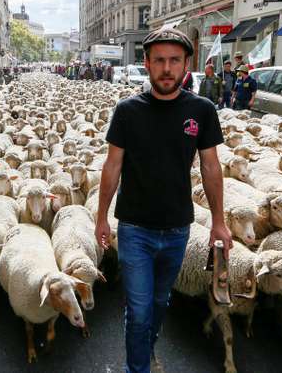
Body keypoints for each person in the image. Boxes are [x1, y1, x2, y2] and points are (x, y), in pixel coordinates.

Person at [94, 27, 232, 373]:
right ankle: (137, 367)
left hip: (177, 228)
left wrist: (218, 221)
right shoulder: (127, 111)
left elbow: (211, 166)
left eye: (174, 60)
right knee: (140, 309)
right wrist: (100, 217)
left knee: (159, 302)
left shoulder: (202, 110)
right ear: (147, 63)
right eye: (159, 61)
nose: (166, 68)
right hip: (134, 228)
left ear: (187, 64)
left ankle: (146, 349)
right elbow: (112, 165)